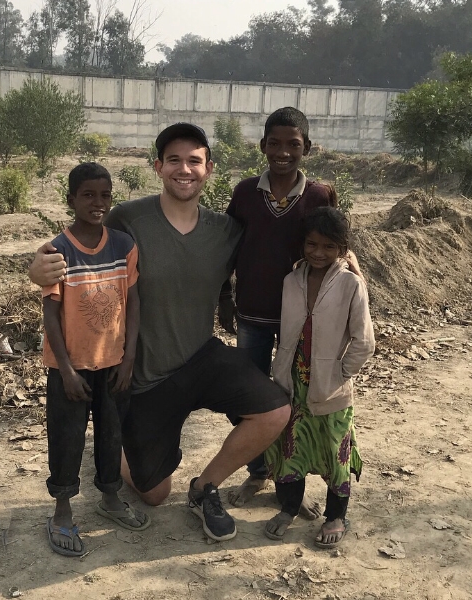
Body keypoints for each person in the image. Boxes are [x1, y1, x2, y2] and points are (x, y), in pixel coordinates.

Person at [29, 124, 291, 542]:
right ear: (158, 167)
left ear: (208, 169)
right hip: (144, 377)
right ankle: (118, 448)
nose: (183, 169)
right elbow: (78, 246)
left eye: (194, 161)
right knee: (153, 493)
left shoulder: (226, 231)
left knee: (275, 410)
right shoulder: (128, 219)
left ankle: (205, 487)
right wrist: (37, 266)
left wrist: (341, 253)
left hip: (201, 357)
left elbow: (272, 252)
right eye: (174, 160)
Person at [218, 106, 338, 508]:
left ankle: (291, 481)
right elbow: (228, 249)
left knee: (294, 402)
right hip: (251, 314)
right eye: (275, 143)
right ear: (262, 146)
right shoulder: (245, 193)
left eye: (293, 144)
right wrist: (225, 298)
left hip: (298, 321)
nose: (283, 152)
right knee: (247, 399)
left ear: (308, 148)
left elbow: (332, 249)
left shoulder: (319, 195)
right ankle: (259, 470)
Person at [41, 162, 150, 557]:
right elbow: (51, 313)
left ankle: (110, 497)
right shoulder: (58, 250)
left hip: (113, 362)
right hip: (70, 369)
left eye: (105, 195)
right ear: (71, 199)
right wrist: (67, 369)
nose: (98, 203)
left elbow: (133, 303)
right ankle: (62, 511)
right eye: (88, 195)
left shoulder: (124, 246)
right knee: (67, 439)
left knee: (111, 432)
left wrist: (128, 357)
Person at [261, 206, 375, 549]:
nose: (318, 253)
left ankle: (336, 515)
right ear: (303, 244)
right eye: (312, 244)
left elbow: (365, 340)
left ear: (342, 248)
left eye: (328, 246)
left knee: (334, 449)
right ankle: (289, 507)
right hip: (292, 381)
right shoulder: (291, 280)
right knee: (289, 447)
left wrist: (340, 373)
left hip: (331, 386)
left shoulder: (351, 284)